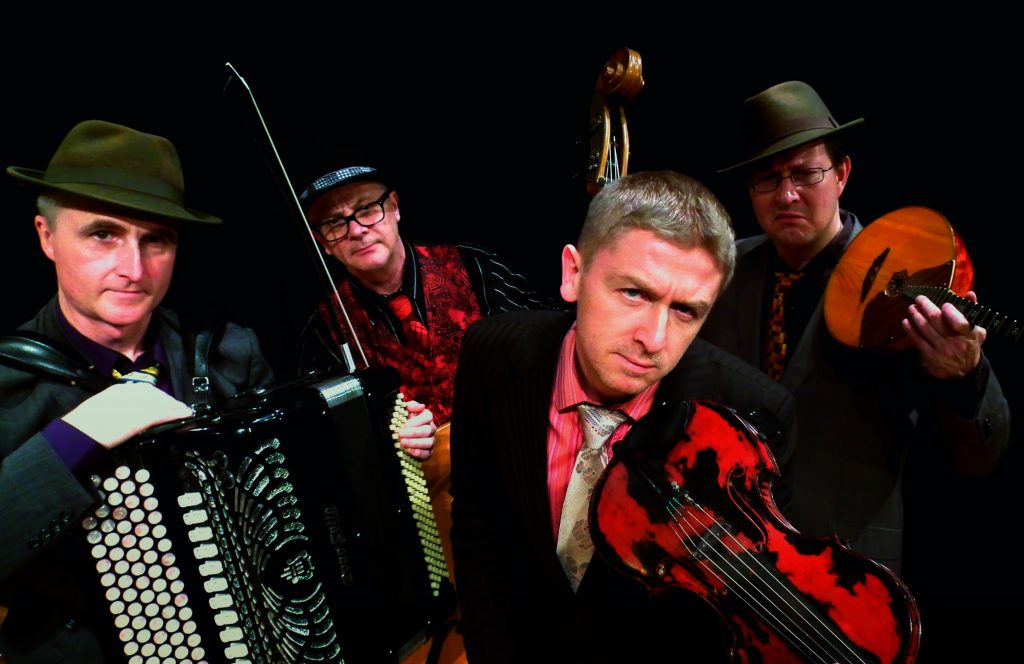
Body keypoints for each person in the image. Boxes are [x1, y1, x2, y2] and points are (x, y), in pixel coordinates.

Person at [448, 170, 797, 662]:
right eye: (634, 293)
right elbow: (478, 522)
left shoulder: (750, 417)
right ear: (573, 273)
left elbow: (731, 619)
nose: (654, 339)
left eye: (686, 311)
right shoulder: (492, 351)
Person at [700, 80, 1011, 576]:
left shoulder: (903, 280)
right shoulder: (720, 271)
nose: (786, 194)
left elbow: (980, 457)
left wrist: (965, 377)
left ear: (842, 174)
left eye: (806, 173)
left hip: (846, 572)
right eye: (767, 178)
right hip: (727, 558)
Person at [296, 165, 556, 432]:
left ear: (394, 207)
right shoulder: (324, 331)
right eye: (334, 222)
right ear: (322, 241)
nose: (356, 230)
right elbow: (328, 432)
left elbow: (553, 340)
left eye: (366, 209)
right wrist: (387, 437)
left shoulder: (473, 266)